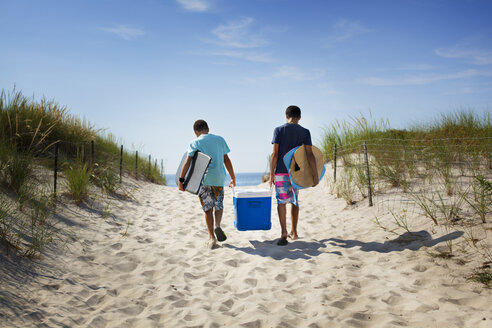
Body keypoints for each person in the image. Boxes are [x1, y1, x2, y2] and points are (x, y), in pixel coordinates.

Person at [178, 120, 236, 249]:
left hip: (204, 180)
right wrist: (233, 177)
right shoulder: (220, 139)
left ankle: (211, 238)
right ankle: (218, 226)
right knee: (218, 205)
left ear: (195, 132)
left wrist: (181, 181)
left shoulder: (195, 142)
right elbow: (226, 159)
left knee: (207, 208)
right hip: (219, 178)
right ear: (208, 128)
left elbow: (188, 162)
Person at [269, 106, 319, 246]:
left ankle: (284, 232)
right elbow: (310, 154)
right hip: (296, 173)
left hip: (280, 171)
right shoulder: (305, 132)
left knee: (281, 201)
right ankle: (294, 232)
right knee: (295, 200)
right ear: (300, 117)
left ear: (286, 116)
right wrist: (315, 175)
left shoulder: (279, 130)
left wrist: (271, 173)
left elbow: (275, 153)